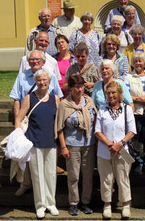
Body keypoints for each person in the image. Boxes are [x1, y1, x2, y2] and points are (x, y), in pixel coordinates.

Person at [10, 50, 63, 191]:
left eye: (37, 59)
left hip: (46, 124)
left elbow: (58, 98)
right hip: (27, 122)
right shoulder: (22, 76)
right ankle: (25, 184)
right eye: (31, 59)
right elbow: (16, 99)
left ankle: (45, 191)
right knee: (26, 155)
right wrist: (18, 125)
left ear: (43, 61)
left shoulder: (49, 76)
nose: (34, 61)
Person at [15, 69, 60, 219]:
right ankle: (40, 205)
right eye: (39, 80)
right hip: (34, 142)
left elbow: (59, 122)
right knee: (37, 175)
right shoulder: (29, 98)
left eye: (44, 80)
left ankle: (51, 203)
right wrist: (18, 136)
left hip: (51, 142)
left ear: (49, 81)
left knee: (50, 175)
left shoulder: (55, 98)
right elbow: (19, 119)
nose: (42, 82)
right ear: (35, 81)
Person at [95, 81, 137, 219]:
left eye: (114, 93)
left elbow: (132, 131)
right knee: (106, 179)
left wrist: (119, 144)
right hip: (104, 150)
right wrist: (109, 144)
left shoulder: (127, 109)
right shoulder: (102, 109)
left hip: (123, 150)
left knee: (123, 178)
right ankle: (107, 205)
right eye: (108, 93)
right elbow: (97, 131)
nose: (111, 95)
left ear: (119, 94)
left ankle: (125, 205)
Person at [56, 75, 97, 216]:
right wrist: (63, 147)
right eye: (76, 87)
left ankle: (86, 201)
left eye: (81, 86)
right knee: (73, 175)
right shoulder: (64, 104)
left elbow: (96, 121)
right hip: (72, 145)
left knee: (88, 175)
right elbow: (59, 128)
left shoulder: (89, 101)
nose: (79, 89)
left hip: (89, 144)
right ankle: (73, 202)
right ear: (71, 88)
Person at [125, 52, 145, 175]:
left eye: (140, 61)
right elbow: (126, 94)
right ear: (133, 63)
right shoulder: (128, 77)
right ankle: (138, 162)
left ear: (144, 63)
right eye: (136, 61)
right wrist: (139, 99)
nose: (138, 63)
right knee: (136, 139)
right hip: (135, 112)